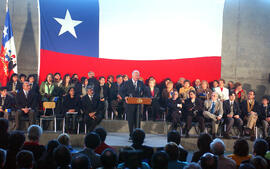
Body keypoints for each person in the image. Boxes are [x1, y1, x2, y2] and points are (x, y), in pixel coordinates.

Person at [120, 70, 145, 139]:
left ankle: (138, 135)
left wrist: (148, 97)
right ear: (132, 76)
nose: (137, 77)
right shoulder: (127, 83)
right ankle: (131, 135)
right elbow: (121, 91)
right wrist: (125, 97)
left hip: (138, 104)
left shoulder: (141, 83)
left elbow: (146, 91)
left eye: (138, 75)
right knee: (131, 120)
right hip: (129, 104)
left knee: (137, 120)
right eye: (136, 75)